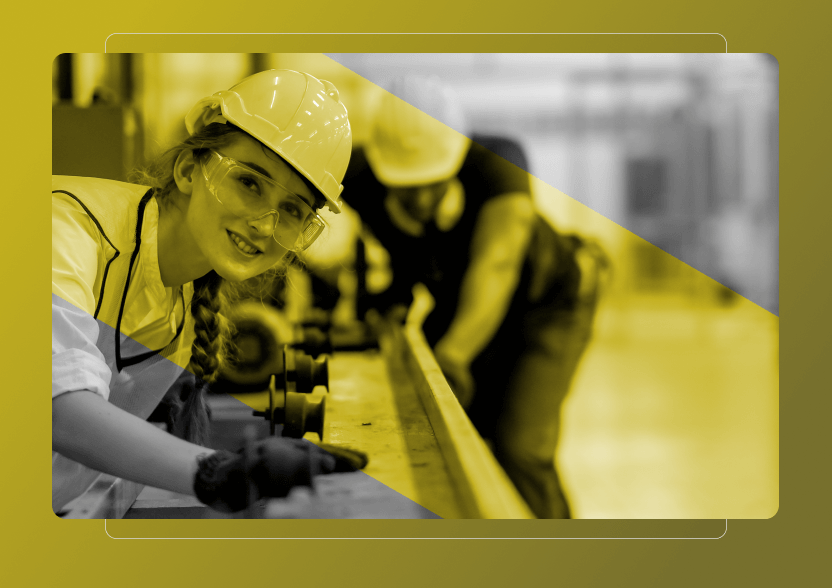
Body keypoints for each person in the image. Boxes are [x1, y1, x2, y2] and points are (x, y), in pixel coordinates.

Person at [52, 69, 367, 516]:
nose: (263, 224)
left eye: (292, 210)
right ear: (187, 169)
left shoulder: (180, 317)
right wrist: (218, 473)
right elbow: (55, 407)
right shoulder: (65, 227)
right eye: (249, 182)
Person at [341, 75, 604, 519]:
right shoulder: (363, 177)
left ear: (457, 157)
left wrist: (455, 353)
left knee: (520, 446)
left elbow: (496, 266)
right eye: (407, 186)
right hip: (463, 299)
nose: (422, 198)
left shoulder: (499, 163)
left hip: (549, 303)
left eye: (434, 182)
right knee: (461, 428)